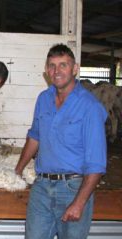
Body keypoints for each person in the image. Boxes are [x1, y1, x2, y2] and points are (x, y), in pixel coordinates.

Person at [15, 44, 107, 239]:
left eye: (63, 65)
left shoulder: (90, 106)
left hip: (72, 188)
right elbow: (35, 137)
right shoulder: (43, 99)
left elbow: (97, 163)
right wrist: (17, 170)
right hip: (41, 186)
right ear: (47, 71)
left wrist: (79, 202)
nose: (57, 71)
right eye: (52, 65)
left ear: (75, 69)